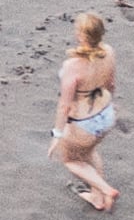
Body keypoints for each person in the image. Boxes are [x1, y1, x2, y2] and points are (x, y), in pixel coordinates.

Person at [48, 14, 123, 210]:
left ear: (82, 36)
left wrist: (57, 134)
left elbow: (64, 105)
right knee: (89, 152)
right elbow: (111, 84)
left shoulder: (72, 66)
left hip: (84, 122)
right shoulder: (109, 52)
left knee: (70, 160)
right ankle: (97, 198)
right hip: (106, 114)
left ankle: (105, 189)